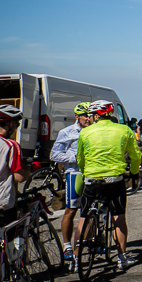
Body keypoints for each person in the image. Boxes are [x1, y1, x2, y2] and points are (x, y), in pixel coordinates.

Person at [77, 99, 142, 271]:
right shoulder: (124, 129)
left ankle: (76, 259)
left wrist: (86, 172)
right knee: (118, 217)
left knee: (83, 217)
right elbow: (135, 156)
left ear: (95, 116)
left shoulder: (85, 132)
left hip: (91, 179)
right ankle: (122, 258)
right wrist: (134, 173)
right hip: (114, 179)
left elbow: (80, 158)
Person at [50, 101, 94, 269]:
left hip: (91, 173)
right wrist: (74, 159)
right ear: (77, 117)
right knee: (71, 211)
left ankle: (87, 242)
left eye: (90, 116)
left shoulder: (94, 131)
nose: (88, 119)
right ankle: (67, 245)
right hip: (74, 174)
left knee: (89, 210)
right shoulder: (66, 132)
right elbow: (54, 154)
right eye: (85, 116)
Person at [0, 105, 31, 282]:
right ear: (8, 124)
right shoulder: (10, 146)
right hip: (1, 204)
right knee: (0, 247)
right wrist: (29, 169)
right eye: (15, 124)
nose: (15, 128)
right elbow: (19, 176)